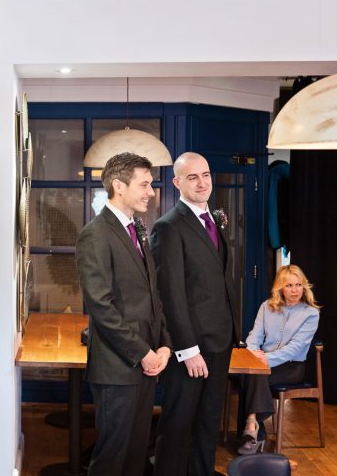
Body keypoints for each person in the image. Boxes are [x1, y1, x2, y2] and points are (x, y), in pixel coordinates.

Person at [75, 152, 172, 476]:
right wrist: (142, 353)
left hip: (145, 364)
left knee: (134, 457)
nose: (151, 191)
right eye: (144, 184)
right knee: (111, 458)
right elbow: (101, 306)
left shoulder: (137, 230)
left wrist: (163, 345)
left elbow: (152, 297)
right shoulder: (96, 234)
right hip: (118, 367)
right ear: (119, 185)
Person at [150, 152, 240, 476]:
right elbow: (170, 295)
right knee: (177, 426)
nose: (202, 182)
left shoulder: (214, 220)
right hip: (192, 348)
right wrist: (187, 350)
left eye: (205, 175)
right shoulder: (168, 227)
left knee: (208, 424)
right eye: (192, 177)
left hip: (220, 341)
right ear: (177, 183)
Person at [237, 264, 320, 454]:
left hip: (290, 368)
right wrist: (252, 354)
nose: (294, 290)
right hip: (263, 363)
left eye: (298, 285)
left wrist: (264, 358)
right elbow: (254, 337)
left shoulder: (311, 313)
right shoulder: (266, 307)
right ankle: (253, 426)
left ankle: (253, 428)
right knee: (253, 372)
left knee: (254, 374)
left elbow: (295, 348)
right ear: (280, 288)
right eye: (289, 285)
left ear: (304, 286)